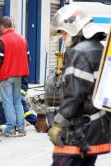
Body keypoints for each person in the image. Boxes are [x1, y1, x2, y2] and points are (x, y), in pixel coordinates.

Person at [48, 4, 111, 166]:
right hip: (96, 128)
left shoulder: (79, 52)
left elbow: (74, 95)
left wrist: (58, 123)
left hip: (78, 131)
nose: (62, 37)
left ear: (73, 28)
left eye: (63, 32)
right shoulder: (99, 49)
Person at [0, 16, 29, 136]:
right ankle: (21, 127)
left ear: (2, 26)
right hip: (19, 75)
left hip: (6, 75)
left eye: (0, 27)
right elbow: (28, 59)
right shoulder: (22, 39)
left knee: (7, 102)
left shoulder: (2, 40)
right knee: (17, 101)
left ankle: (10, 128)